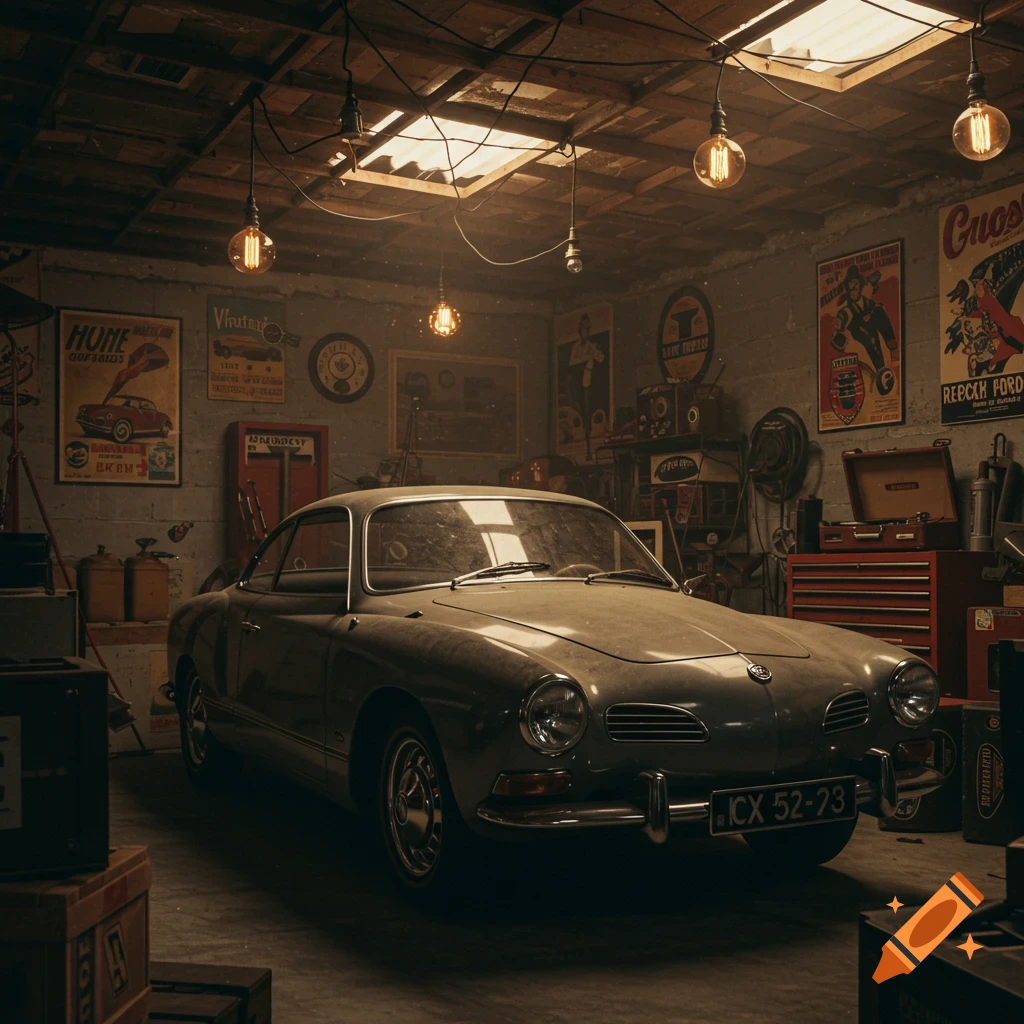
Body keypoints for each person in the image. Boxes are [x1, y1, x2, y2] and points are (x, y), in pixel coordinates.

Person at [832, 264, 897, 396]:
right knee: (869, 337)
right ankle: (880, 372)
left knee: (878, 312)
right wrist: (840, 322)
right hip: (862, 338)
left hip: (875, 337)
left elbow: (877, 311)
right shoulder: (848, 310)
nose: (853, 290)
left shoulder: (869, 304)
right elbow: (845, 315)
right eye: (850, 288)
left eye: (855, 286)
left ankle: (891, 344)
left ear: (861, 286)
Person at [567, 312, 605, 459]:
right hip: (577, 384)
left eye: (588, 329)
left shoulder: (591, 346)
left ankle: (590, 451)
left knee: (588, 414)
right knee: (580, 415)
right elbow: (573, 365)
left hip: (587, 383)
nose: (586, 332)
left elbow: (601, 358)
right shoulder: (576, 347)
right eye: (584, 328)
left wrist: (596, 352)